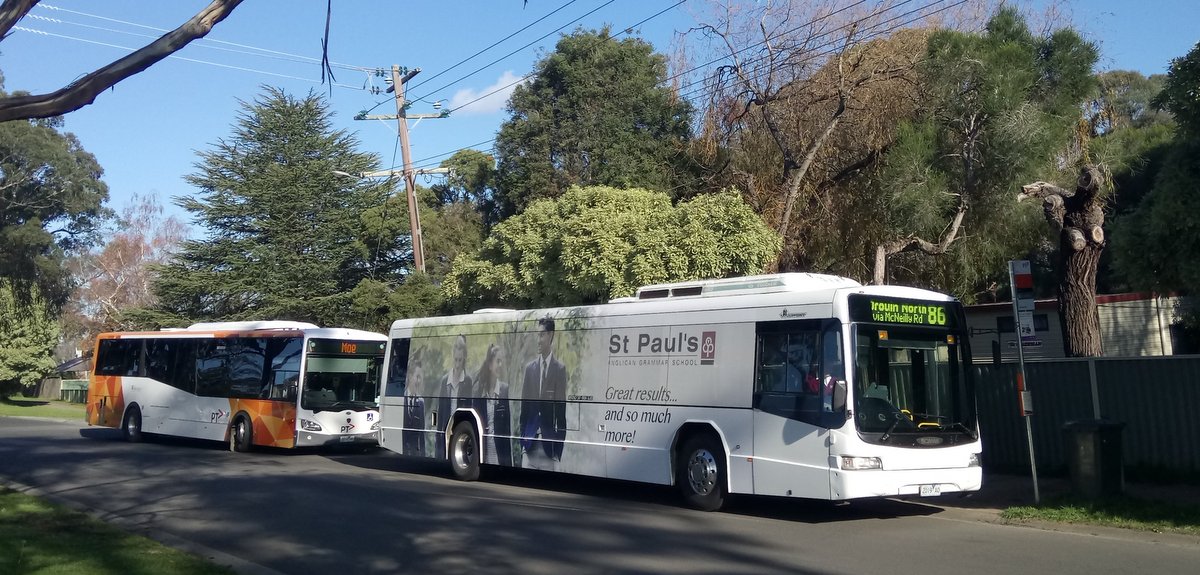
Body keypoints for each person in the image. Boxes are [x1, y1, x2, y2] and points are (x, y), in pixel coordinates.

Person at [520, 317, 567, 470]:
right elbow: (524, 410)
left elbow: (561, 413)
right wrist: (523, 443)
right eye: (537, 335)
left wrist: (557, 452)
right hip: (529, 447)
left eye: (541, 335)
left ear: (550, 335)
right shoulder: (530, 369)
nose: (538, 340)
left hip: (550, 450)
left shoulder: (559, 369)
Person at [474, 343, 513, 466]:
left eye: (502, 362)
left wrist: (508, 462)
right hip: (484, 451)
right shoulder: (479, 392)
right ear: (490, 365)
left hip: (499, 454)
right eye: (498, 361)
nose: (500, 366)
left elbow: (507, 429)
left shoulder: (504, 390)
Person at [436, 335, 473, 459]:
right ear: (453, 357)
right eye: (456, 359)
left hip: (459, 423)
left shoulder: (468, 381)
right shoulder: (444, 380)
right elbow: (441, 410)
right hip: (446, 423)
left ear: (464, 359)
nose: (457, 364)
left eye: (460, 360)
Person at [401, 351, 426, 457]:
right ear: (410, 376)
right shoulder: (401, 399)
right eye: (417, 377)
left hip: (414, 452)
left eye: (421, 377)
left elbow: (422, 433)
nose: (419, 381)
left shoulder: (421, 402)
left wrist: (423, 454)